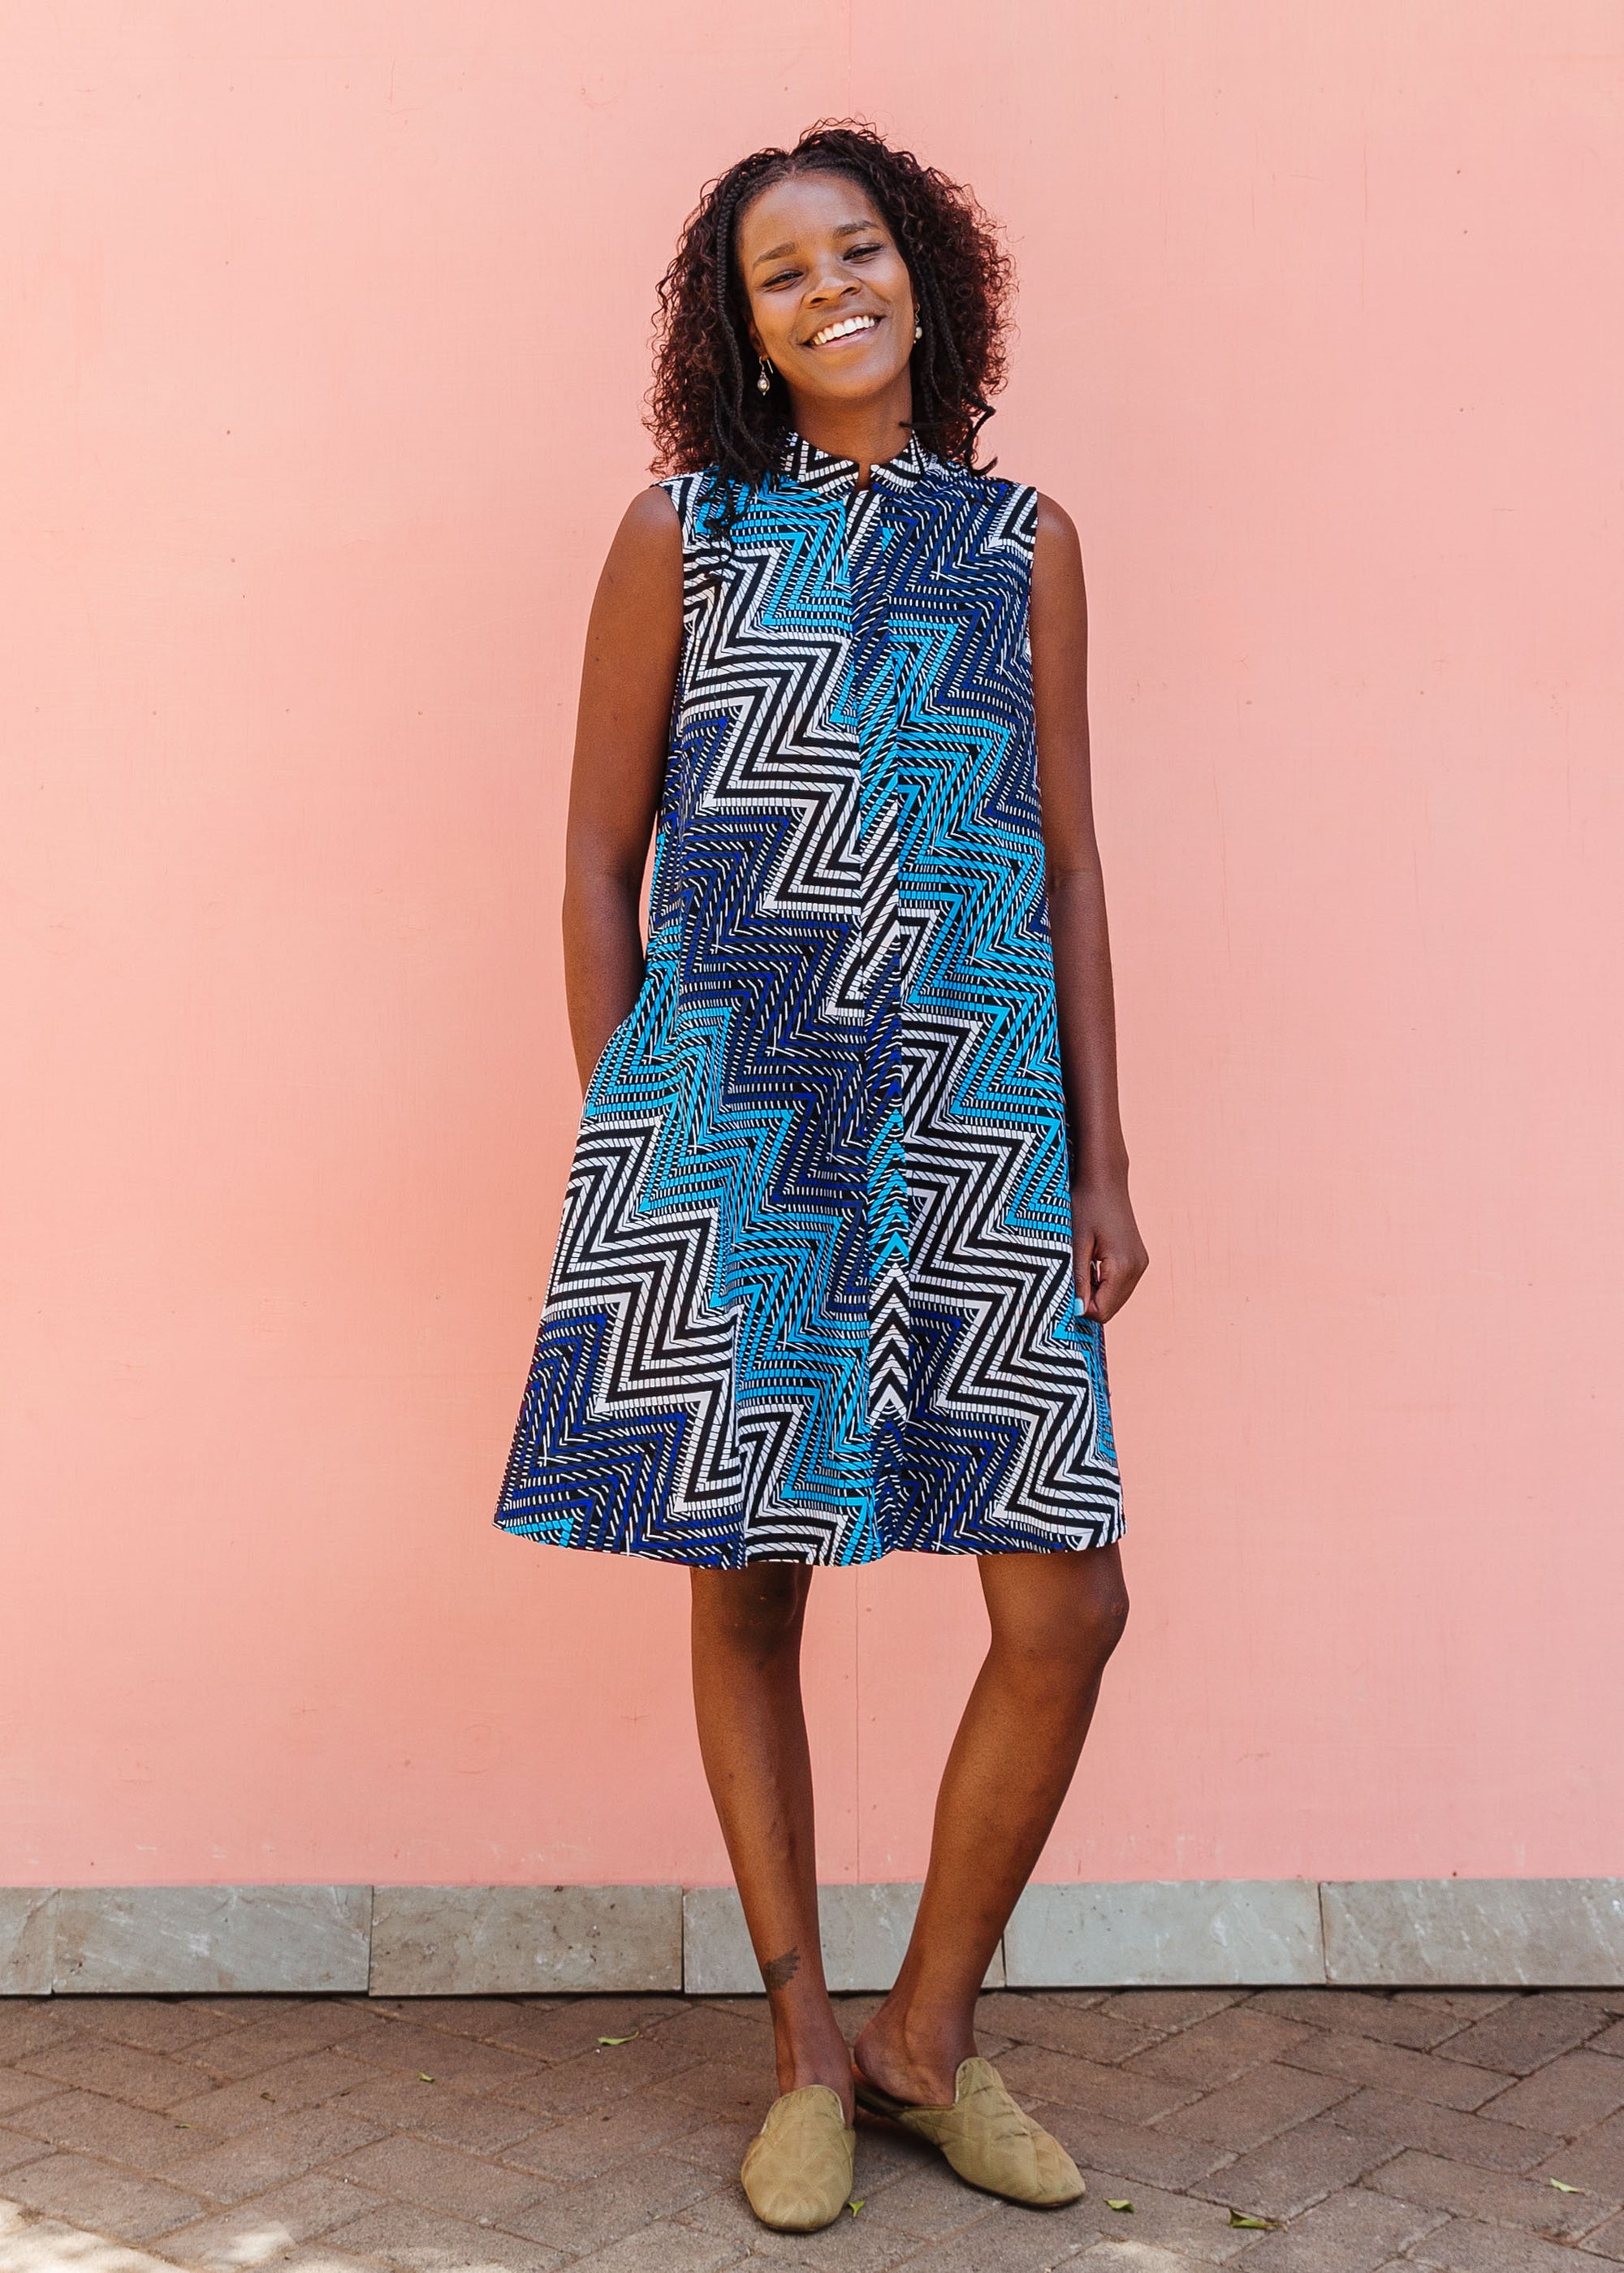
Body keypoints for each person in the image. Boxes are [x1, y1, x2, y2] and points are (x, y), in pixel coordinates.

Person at [495, 119, 1149, 2234]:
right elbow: (596, 863)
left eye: (855, 251)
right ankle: (799, 2048)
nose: (829, 291)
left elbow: (1061, 865)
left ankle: (924, 2041)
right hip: (746, 1136)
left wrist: (1103, 1157)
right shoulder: (683, 534)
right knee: (749, 1576)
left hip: (976, 1113)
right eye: (783, 275)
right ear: (743, 330)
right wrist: (649, 1134)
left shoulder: (1022, 537)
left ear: (924, 272)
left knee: (1067, 1604)